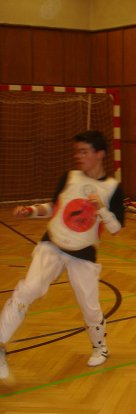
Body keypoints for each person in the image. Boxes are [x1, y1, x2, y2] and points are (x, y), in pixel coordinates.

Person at [0, 131, 125, 382]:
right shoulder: (69, 177)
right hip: (52, 245)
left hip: (83, 253)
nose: (78, 156)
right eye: (77, 151)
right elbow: (53, 207)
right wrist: (31, 211)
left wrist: (101, 208)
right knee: (28, 289)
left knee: (89, 306)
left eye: (84, 151)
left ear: (99, 154)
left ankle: (100, 347)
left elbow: (116, 228)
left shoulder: (112, 187)